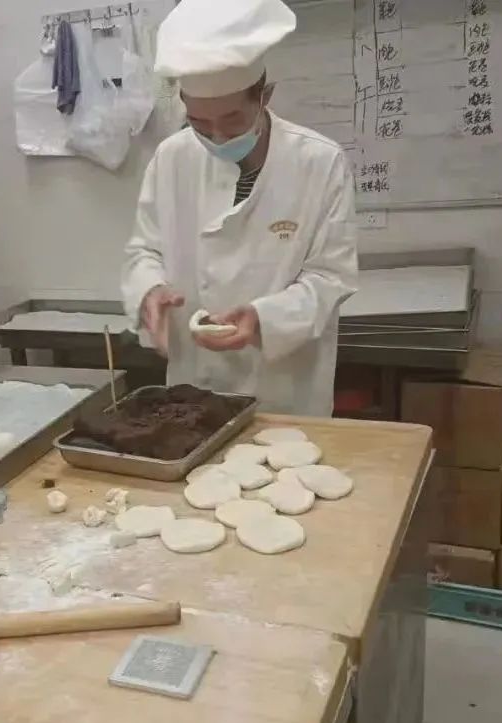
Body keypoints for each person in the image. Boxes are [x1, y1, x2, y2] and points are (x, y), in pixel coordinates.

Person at [122, 0, 358, 416]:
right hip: (194, 382)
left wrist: (263, 319)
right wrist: (149, 289)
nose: (216, 137)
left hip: (283, 388)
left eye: (231, 121)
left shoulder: (318, 162)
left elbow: (329, 277)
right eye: (199, 123)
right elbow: (145, 250)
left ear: (264, 96)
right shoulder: (172, 157)